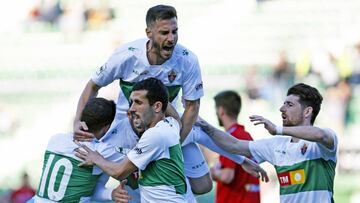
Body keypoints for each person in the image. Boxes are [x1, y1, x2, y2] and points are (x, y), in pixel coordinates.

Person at [72, 4, 251, 201]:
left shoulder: (187, 60)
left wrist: (174, 142)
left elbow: (193, 107)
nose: (171, 38)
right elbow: (93, 85)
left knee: (203, 185)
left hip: (164, 125)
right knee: (130, 184)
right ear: (149, 33)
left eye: (175, 31)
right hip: (128, 130)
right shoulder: (127, 55)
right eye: (164, 32)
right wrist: (77, 121)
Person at [196, 83, 338, 203]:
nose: (282, 108)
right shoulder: (277, 145)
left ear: (307, 112)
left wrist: (278, 130)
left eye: (289, 104)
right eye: (283, 104)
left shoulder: (323, 144)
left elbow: (319, 134)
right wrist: (204, 125)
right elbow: (235, 145)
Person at [75, 78, 187, 203]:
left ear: (157, 106)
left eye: (138, 102)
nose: (131, 109)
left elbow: (119, 172)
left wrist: (96, 159)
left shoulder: (154, 135)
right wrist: (157, 91)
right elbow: (176, 117)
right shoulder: (171, 124)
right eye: (131, 102)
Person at [30, 98, 130, 203]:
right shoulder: (103, 151)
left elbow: (83, 192)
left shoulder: (55, 139)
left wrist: (111, 194)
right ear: (106, 128)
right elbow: (138, 159)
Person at [210, 91, 260, 203]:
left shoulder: (230, 138)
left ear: (221, 110)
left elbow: (227, 176)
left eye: (216, 109)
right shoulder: (246, 136)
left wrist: (213, 172)